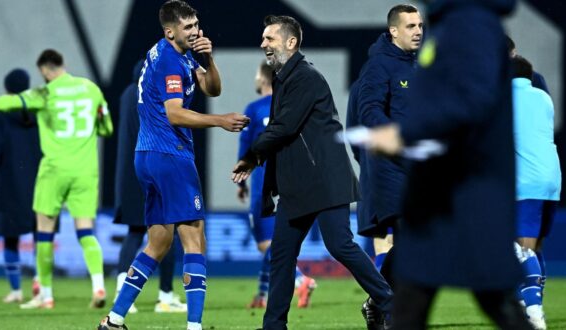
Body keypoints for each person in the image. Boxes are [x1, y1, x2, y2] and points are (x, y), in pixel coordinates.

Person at [359, 0, 535, 328]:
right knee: (413, 295)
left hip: (468, 184)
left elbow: (474, 99)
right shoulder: (451, 24)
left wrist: (405, 133)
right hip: (441, 185)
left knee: (492, 296)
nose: (417, 30)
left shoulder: (471, 23)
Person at [232, 15, 393, 330]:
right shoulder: (284, 78)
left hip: (324, 178)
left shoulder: (306, 77)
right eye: (263, 38)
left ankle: (392, 304)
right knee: (281, 254)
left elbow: (285, 127)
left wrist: (252, 156)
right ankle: (274, 325)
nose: (263, 44)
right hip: (298, 185)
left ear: (290, 42)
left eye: (270, 38)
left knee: (340, 245)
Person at [98, 1, 249, 330]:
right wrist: (220, 121)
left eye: (196, 24)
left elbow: (213, 88)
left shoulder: (178, 54)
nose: (195, 31)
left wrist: (208, 58)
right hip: (171, 155)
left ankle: (114, 319)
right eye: (188, 27)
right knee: (195, 238)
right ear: (170, 31)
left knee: (158, 242)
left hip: (149, 157)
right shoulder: (169, 59)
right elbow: (175, 113)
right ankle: (194, 327)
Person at [0, 49, 113, 310]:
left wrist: (19, 102)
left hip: (55, 170)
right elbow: (107, 128)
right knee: (86, 232)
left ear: (45, 70)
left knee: (44, 233)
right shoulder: (90, 88)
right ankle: (98, 285)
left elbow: (3, 105)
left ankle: (45, 295)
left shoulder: (45, 93)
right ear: (63, 64)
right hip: (85, 170)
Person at [236, 61, 316, 309]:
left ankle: (301, 280)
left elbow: (246, 150)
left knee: (267, 244)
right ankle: (261, 295)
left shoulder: (253, 109)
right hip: (290, 181)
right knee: (274, 244)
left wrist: (242, 183)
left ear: (262, 78)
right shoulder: (288, 106)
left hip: (263, 183)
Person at [352, 4, 423, 273]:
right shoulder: (378, 66)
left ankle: (382, 300)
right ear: (394, 31)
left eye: (420, 25)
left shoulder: (418, 66)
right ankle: (390, 304)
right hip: (390, 167)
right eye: (411, 26)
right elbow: (368, 111)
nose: (418, 31)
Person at [113, 59, 187, 314]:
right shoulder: (154, 94)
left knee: (134, 232)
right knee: (169, 233)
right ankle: (165, 296)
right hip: (154, 167)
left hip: (128, 172)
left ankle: (122, 291)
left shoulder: (125, 95)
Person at [0, 69, 41, 304]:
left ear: (7, 87)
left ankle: (16, 290)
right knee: (41, 237)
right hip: (38, 182)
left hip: (8, 184)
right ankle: (41, 285)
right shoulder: (39, 113)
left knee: (10, 238)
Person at [511, 55, 561, 330]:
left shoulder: (503, 100)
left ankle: (533, 313)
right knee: (535, 248)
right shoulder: (544, 99)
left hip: (525, 181)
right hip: (552, 180)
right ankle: (528, 301)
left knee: (522, 250)